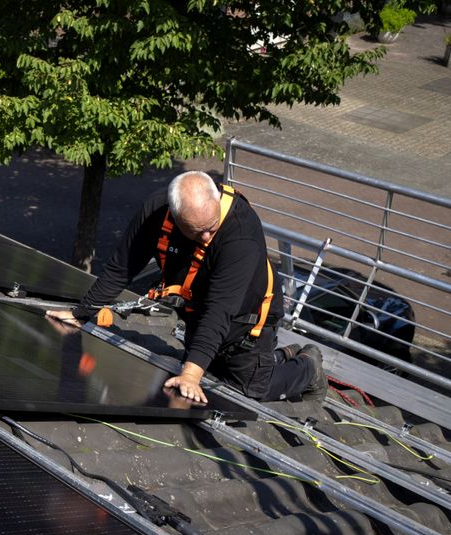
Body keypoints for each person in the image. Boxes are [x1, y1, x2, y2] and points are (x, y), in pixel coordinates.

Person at [47, 171, 327, 404]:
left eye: (211, 226)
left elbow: (221, 310)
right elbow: (123, 267)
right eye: (196, 230)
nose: (206, 236)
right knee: (213, 371)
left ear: (216, 201)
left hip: (246, 320)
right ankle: (279, 357)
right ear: (175, 215)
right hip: (198, 311)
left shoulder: (240, 233)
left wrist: (191, 375)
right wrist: (82, 312)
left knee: (251, 391)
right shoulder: (156, 212)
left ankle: (308, 367)